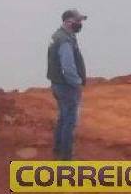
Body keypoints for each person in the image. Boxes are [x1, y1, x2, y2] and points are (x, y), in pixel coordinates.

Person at [46, 9, 87, 159]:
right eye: (78, 21)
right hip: (66, 86)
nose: (80, 24)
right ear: (69, 22)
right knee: (70, 120)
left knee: (63, 117)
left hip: (57, 84)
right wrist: (76, 83)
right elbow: (68, 67)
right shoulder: (64, 40)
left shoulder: (61, 36)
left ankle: (58, 150)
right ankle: (66, 157)